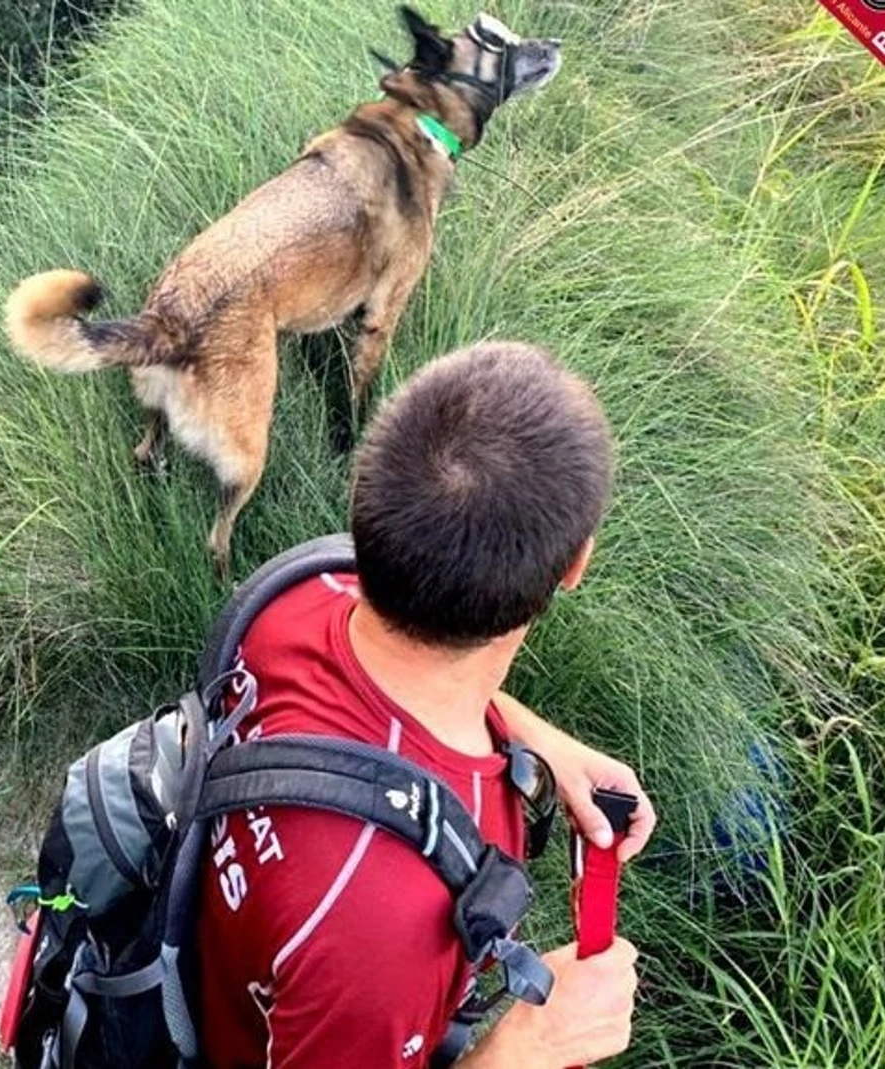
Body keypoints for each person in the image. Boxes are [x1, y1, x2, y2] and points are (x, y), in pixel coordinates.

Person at [194, 341, 657, 1068]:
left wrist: (539, 742)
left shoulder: (297, 593)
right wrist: (530, 1046)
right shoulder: (380, 933)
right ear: (577, 565)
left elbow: (404, 673)